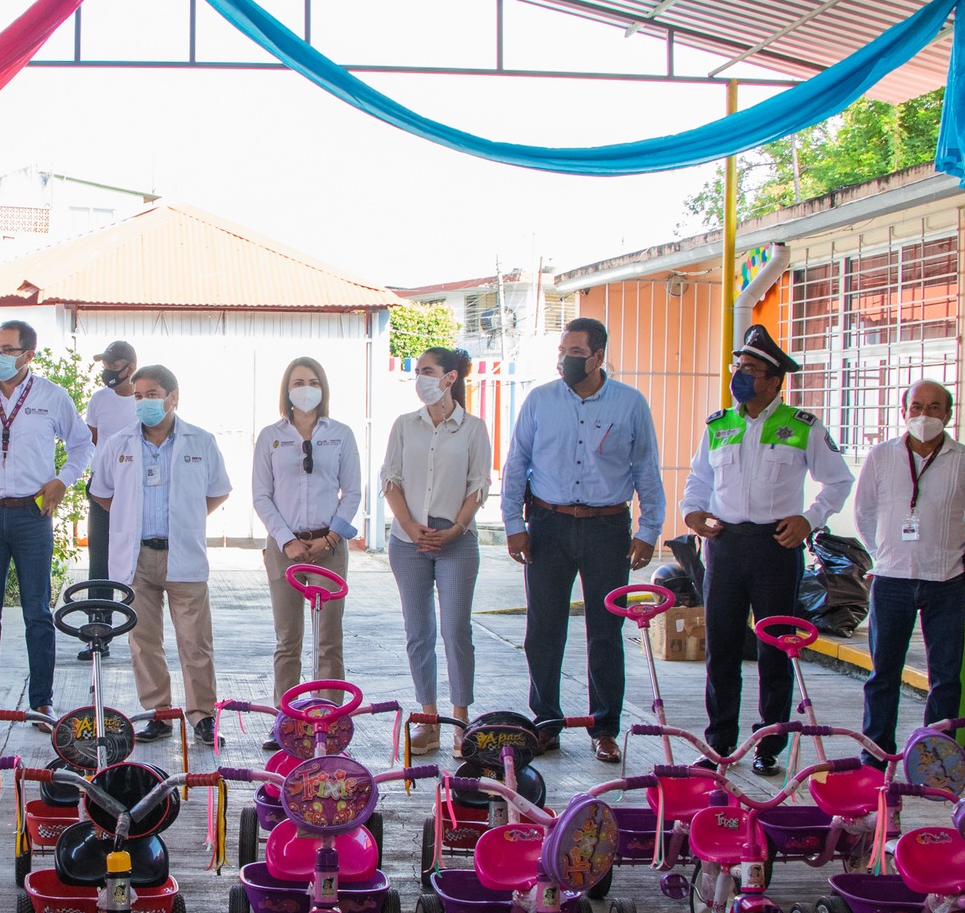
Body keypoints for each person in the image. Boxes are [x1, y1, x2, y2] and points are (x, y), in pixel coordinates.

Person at [681, 324, 853, 776]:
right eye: (739, 367)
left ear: (775, 381)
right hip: (725, 546)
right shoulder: (721, 424)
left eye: (752, 369)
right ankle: (720, 742)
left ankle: (769, 743)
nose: (742, 375)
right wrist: (693, 512)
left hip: (777, 546)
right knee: (720, 647)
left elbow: (838, 481)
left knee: (775, 648)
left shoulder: (801, 426)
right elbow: (699, 478)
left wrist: (809, 520)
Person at [502, 319, 664, 764]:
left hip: (607, 528)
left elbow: (646, 469)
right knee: (544, 629)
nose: (565, 359)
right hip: (547, 526)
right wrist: (513, 524)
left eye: (575, 351)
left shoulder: (630, 404)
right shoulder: (539, 401)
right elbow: (516, 465)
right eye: (562, 349)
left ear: (598, 356)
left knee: (606, 632)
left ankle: (605, 727)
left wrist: (648, 531)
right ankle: (547, 722)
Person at [0, 321, 95, 733]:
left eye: (8, 349)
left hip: (33, 515)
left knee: (37, 612)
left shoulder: (51, 396)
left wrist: (62, 481)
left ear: (29, 355)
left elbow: (82, 443)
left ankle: (42, 702)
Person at [90, 365, 232, 746]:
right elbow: (101, 491)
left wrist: (186, 518)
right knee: (143, 641)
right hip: (137, 557)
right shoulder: (119, 443)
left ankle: (202, 716)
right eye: (138, 395)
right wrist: (129, 518)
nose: (144, 402)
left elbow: (218, 490)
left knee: (195, 641)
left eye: (152, 394)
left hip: (182, 554)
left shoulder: (200, 441)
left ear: (173, 397)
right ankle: (159, 714)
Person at [853, 380, 965, 755]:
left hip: (945, 582)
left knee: (946, 677)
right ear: (904, 412)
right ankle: (877, 754)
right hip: (891, 581)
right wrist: (884, 553)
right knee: (883, 674)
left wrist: (957, 555)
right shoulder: (881, 456)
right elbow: (864, 513)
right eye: (916, 407)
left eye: (934, 408)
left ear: (948, 415)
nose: (924, 415)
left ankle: (937, 756)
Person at [382, 347, 491, 756]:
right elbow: (390, 479)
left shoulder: (473, 428)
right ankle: (428, 721)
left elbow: (478, 486)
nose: (420, 378)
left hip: (455, 543)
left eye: (428, 371)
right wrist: (410, 527)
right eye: (417, 371)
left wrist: (455, 530)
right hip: (408, 543)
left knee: (455, 632)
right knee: (418, 633)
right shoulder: (405, 426)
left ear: (449, 378)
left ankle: (461, 722)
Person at [253, 356, 361, 749]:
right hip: (285, 548)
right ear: (286, 389)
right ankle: (286, 721)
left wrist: (330, 538)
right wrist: (287, 540)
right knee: (288, 639)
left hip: (328, 548)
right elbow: (261, 496)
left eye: (313, 381)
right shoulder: (270, 435)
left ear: (323, 388)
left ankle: (328, 723)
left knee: (329, 640)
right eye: (298, 381)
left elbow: (353, 492)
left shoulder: (341, 434)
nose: (305, 387)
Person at [80, 340, 141, 661]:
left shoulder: (145, 401)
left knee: (140, 564)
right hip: (102, 490)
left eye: (112, 365)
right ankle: (98, 634)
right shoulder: (99, 400)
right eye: (104, 365)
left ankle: (143, 636)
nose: (106, 372)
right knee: (99, 563)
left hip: (138, 492)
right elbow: (89, 440)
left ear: (129, 368)